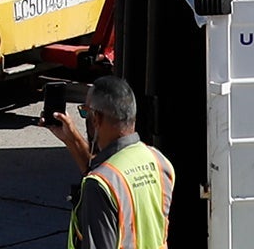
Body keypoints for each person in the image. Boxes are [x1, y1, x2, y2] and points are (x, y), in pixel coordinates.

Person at [46, 71, 173, 249]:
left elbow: (105, 178)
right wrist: (72, 139)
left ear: (96, 118)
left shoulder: (99, 185)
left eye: (85, 112)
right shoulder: (159, 162)